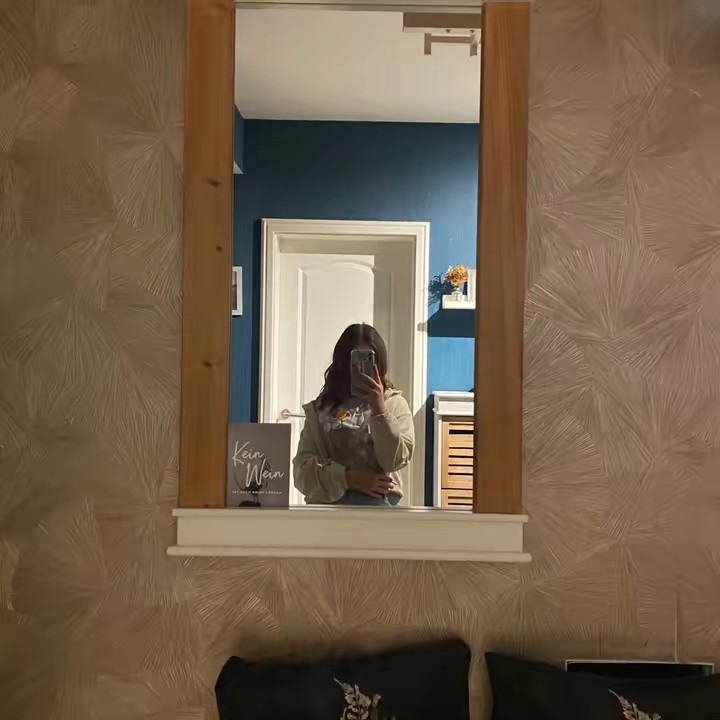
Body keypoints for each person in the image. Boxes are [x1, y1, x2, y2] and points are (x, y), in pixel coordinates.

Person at [293, 323, 415, 506]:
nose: (360, 369)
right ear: (342, 364)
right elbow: (301, 473)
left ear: (380, 364)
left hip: (379, 508)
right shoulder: (320, 410)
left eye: (369, 361)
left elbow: (395, 461)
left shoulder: (395, 405)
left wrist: (380, 412)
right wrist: (348, 478)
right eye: (355, 361)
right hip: (328, 509)